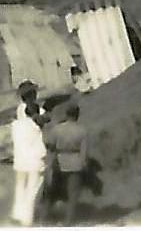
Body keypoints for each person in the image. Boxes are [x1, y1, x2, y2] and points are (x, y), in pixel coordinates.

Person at [43, 95, 89, 223]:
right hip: (75, 162)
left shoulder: (57, 129)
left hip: (59, 161)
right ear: (77, 115)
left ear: (67, 114)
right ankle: (68, 222)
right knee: (72, 195)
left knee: (52, 193)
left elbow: (50, 145)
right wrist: (84, 164)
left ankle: (45, 219)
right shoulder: (82, 130)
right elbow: (84, 151)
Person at [8, 97, 48, 227]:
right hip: (34, 161)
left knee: (20, 187)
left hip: (19, 160)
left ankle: (17, 213)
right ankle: (27, 218)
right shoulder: (36, 127)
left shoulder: (15, 125)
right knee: (32, 189)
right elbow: (44, 122)